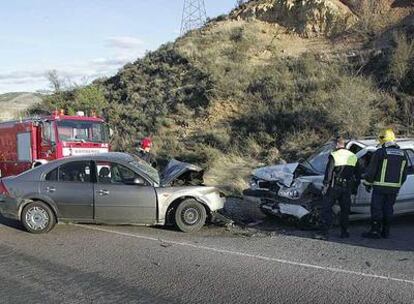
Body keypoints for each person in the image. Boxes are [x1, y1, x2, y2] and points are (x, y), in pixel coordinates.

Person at [362, 129, 408, 239]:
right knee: (388, 209)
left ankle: (375, 232)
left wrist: (367, 183)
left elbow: (372, 171)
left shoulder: (380, 153)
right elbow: (404, 174)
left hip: (380, 187)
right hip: (394, 189)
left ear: (382, 140)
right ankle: (386, 232)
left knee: (376, 209)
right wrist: (398, 184)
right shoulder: (403, 154)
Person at [315, 136, 361, 240]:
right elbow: (358, 174)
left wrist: (325, 185)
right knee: (345, 211)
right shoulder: (353, 156)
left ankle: (323, 233)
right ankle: (344, 232)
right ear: (343, 144)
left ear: (336, 145)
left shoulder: (334, 155)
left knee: (326, 209)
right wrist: (354, 189)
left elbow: (329, 172)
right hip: (347, 187)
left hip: (334, 187)